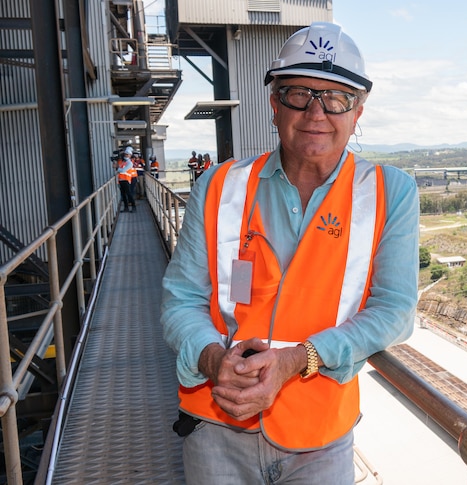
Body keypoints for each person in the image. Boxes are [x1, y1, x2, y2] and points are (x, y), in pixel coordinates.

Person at [161, 22, 419, 485]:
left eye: (337, 97)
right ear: (275, 104)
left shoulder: (389, 193)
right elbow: (180, 300)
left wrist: (297, 360)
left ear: (358, 111)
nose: (317, 112)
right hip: (217, 424)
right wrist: (212, 359)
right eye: (300, 93)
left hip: (318, 436)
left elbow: (395, 311)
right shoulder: (218, 187)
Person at [116, 147, 136, 212]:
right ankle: (126, 208)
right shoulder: (123, 162)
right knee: (123, 195)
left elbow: (122, 170)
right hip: (121, 180)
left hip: (126, 180)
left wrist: (117, 169)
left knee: (129, 194)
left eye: (127, 154)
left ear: (130, 155)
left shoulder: (129, 163)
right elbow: (120, 170)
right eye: (125, 154)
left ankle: (134, 207)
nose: (126, 155)